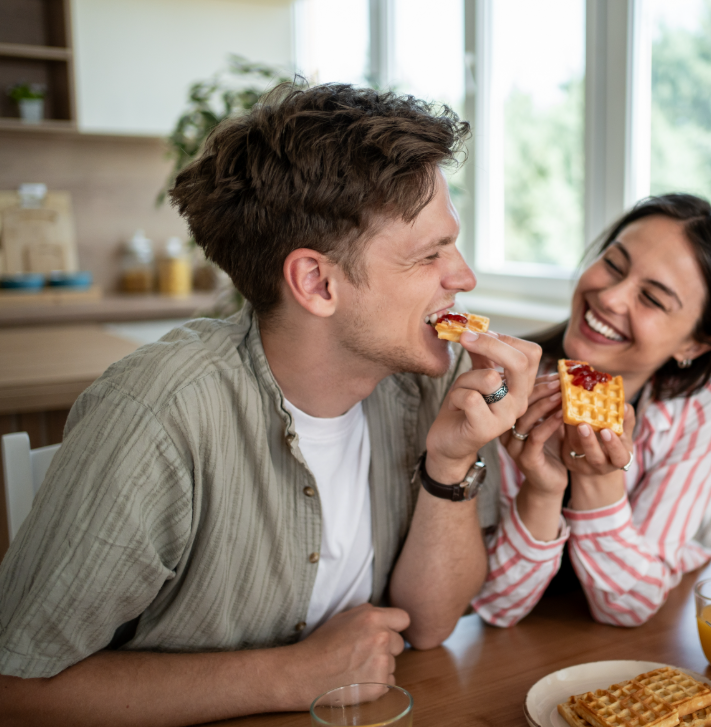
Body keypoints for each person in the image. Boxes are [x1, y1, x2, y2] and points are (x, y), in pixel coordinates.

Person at [0, 83, 539, 726]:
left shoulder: (429, 385)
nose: (464, 278)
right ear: (316, 282)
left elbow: (429, 625)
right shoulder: (157, 417)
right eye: (429, 256)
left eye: (450, 243)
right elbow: (17, 688)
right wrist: (293, 675)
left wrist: (450, 462)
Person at [471, 194, 711, 628]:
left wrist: (596, 479)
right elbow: (493, 605)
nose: (610, 297)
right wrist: (544, 491)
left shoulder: (707, 402)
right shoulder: (501, 383)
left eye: (653, 299)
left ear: (694, 345)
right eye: (614, 265)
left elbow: (628, 608)